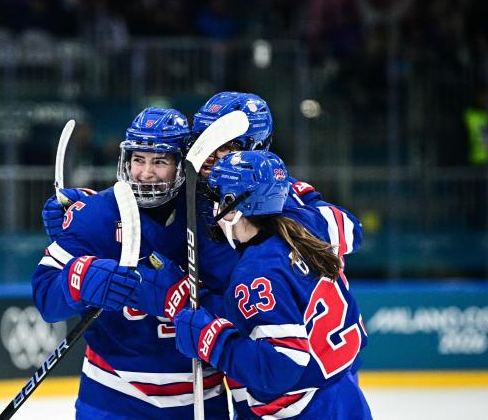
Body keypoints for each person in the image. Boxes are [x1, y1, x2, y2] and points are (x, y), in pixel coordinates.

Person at [32, 107, 231, 419]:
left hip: (199, 398)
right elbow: (46, 300)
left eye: (159, 161)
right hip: (113, 398)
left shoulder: (213, 216)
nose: (145, 173)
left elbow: (241, 304)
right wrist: (79, 280)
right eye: (138, 159)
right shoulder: (95, 215)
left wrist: (184, 300)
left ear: (181, 164)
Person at [174, 150, 372, 419]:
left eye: (219, 199)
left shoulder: (257, 272)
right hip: (345, 394)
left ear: (237, 204)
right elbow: (352, 229)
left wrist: (213, 340)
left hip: (302, 409)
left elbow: (281, 366)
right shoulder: (305, 228)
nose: (215, 210)